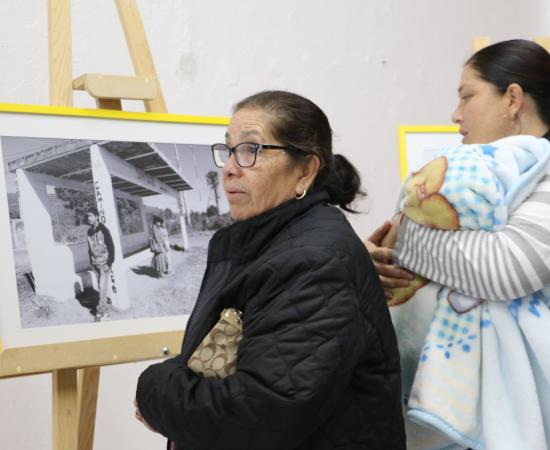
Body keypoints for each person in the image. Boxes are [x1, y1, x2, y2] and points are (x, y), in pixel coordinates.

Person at [135, 90, 406, 450]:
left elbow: (258, 413)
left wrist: (154, 390)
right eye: (229, 150)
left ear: (305, 170)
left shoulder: (314, 261)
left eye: (251, 150)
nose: (230, 167)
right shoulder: (271, 241)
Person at [366, 39, 550, 450]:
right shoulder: (483, 174)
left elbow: (506, 270)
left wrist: (406, 234)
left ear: (513, 99)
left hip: (510, 415)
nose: (456, 114)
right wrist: (373, 257)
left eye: (468, 96)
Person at [87, 207, 115, 321]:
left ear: (97, 216)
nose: (88, 218)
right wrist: (91, 262)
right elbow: (89, 249)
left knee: (102, 287)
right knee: (101, 287)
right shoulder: (89, 231)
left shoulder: (104, 230)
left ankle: (101, 312)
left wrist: (109, 262)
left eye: (91, 216)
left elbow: (112, 247)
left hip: (105, 263)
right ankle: (105, 307)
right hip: (95, 264)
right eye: (88, 216)